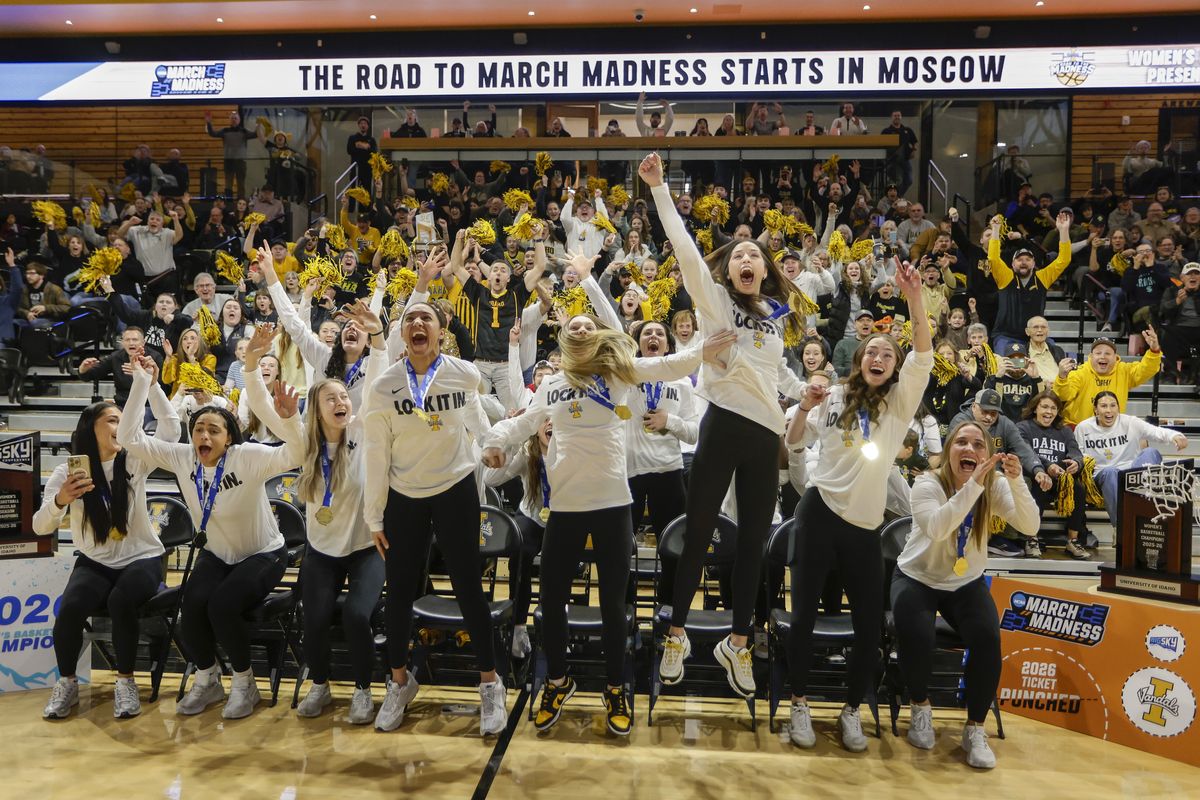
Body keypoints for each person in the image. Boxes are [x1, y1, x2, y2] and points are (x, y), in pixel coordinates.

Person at [480, 309, 714, 736]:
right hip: (565, 507)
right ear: (566, 340)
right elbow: (522, 424)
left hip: (612, 505)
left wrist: (706, 344)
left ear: (600, 335)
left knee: (613, 607)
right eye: (575, 326)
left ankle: (614, 687)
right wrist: (494, 441)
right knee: (551, 603)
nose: (583, 328)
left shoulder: (619, 375)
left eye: (590, 325)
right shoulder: (550, 386)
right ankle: (557, 681)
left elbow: (671, 365)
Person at [639, 152, 808, 701]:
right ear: (730, 268)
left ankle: (738, 642)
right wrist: (661, 189)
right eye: (739, 253)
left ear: (764, 271)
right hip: (721, 424)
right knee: (699, 535)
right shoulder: (714, 304)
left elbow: (778, 373)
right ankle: (675, 635)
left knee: (755, 542)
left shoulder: (776, 320)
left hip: (765, 435)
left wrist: (806, 392)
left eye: (754, 254)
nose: (746, 258)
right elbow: (687, 252)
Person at [782, 253, 932, 752]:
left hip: (865, 527)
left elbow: (924, 356)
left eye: (887, 355)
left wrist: (915, 299)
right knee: (802, 615)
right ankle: (799, 705)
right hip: (819, 513)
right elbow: (794, 442)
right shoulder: (833, 394)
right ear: (859, 356)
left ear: (893, 367)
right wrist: (802, 408)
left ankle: (850, 710)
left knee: (869, 626)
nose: (879, 358)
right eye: (872, 351)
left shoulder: (898, 404)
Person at [117, 355, 304, 719]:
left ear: (229, 437)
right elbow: (128, 437)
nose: (204, 435)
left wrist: (290, 417)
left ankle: (245, 684)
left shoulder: (247, 456)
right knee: (190, 612)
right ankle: (207, 677)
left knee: (222, 606)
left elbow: (297, 452)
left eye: (214, 430)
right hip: (217, 554)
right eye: (199, 428)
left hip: (263, 553)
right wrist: (143, 382)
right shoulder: (182, 457)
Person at [363, 296, 508, 736]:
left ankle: (490, 683)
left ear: (441, 331)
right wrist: (374, 518)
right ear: (403, 334)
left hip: (455, 488)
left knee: (468, 587)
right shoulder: (384, 386)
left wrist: (490, 443)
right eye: (410, 319)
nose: (418, 324)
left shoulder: (462, 373)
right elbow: (375, 453)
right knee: (401, 591)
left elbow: (475, 414)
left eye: (426, 317)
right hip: (405, 495)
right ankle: (400, 683)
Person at [241, 315, 387, 722]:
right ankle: (319, 684)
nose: (342, 402)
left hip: (365, 549)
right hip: (322, 551)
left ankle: (362, 690)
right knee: (314, 616)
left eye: (344, 397)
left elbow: (376, 380)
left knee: (358, 615)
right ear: (318, 410)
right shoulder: (305, 443)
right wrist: (252, 364)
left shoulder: (364, 432)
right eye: (332, 399)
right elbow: (261, 408)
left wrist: (376, 338)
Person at [34, 366, 181, 720]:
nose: (120, 426)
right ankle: (67, 682)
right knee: (69, 610)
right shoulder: (67, 473)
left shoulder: (136, 457)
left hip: (142, 557)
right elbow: (40, 527)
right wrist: (60, 502)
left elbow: (172, 429)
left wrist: (153, 384)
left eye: (122, 419)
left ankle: (125, 682)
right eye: (112, 420)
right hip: (96, 560)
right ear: (91, 428)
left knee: (120, 602)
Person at [892, 421, 1037, 769]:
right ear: (947, 451)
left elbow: (1030, 526)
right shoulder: (927, 483)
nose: (969, 449)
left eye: (978, 444)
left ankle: (975, 728)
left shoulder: (995, 484)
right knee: (917, 635)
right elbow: (940, 528)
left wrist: (1016, 481)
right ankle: (920, 707)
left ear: (987, 453)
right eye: (961, 443)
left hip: (964, 583)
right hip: (917, 577)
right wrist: (974, 485)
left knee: (988, 638)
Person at [949, 388, 1048, 558]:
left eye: (993, 413)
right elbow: (954, 459)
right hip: (965, 475)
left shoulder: (1005, 423)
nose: (989, 417)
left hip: (994, 477)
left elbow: (1021, 448)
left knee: (1024, 480)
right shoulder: (961, 422)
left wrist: (1038, 469)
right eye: (985, 411)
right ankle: (963, 532)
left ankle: (1002, 538)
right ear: (974, 407)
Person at [1075, 391, 1187, 528]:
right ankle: (1121, 528)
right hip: (1102, 476)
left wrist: (1176, 436)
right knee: (1110, 471)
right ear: (1095, 409)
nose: (1109, 410)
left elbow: (1156, 432)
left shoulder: (1130, 422)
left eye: (1113, 405)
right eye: (1103, 406)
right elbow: (1077, 454)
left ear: (1118, 408)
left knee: (1151, 452)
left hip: (1132, 474)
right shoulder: (1083, 428)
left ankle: (1146, 512)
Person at [1017, 391, 1091, 559]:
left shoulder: (1064, 431)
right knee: (1036, 485)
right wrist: (1047, 466)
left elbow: (1075, 451)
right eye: (1044, 407)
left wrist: (1076, 462)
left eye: (1053, 408)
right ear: (1035, 408)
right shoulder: (1023, 427)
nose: (1049, 412)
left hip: (1060, 478)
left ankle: (1073, 541)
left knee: (1078, 489)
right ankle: (1031, 538)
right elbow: (1027, 453)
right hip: (1035, 476)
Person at [986, 212, 1073, 354]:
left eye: (1028, 259)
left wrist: (1063, 231)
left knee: (1056, 359)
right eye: (1020, 260)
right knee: (1012, 368)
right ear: (1013, 264)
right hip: (1006, 338)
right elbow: (993, 258)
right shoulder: (1005, 277)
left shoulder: (1042, 278)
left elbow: (1064, 259)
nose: (1024, 262)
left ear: (1033, 263)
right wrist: (995, 230)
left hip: (1035, 337)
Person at [1053, 331, 1162, 426]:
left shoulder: (1124, 370)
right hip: (1079, 429)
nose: (1102, 356)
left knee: (1142, 441)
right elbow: (1063, 395)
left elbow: (1146, 369)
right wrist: (1062, 377)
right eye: (1098, 353)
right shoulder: (1079, 373)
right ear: (1090, 357)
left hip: (1112, 430)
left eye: (1108, 353)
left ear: (1115, 357)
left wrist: (1154, 350)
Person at [78, 327, 163, 407]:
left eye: (135, 340)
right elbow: (91, 375)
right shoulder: (115, 357)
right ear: (122, 342)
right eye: (127, 340)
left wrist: (142, 376)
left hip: (147, 404)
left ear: (143, 342)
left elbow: (163, 386)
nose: (131, 343)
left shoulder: (155, 357)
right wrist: (83, 370)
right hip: (122, 404)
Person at [1158, 262, 1200, 384]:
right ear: (1182, 278)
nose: (1193, 277)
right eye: (1189, 274)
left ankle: (1196, 376)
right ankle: (1169, 375)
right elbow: (1162, 311)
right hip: (1179, 330)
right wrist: (1176, 301)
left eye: (1196, 274)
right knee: (1167, 335)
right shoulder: (1172, 291)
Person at [204, 110, 258, 198]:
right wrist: (209, 123)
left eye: (235, 118)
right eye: (232, 118)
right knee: (228, 183)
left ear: (239, 120)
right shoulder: (225, 131)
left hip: (240, 161)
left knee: (241, 183)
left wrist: (258, 126)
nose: (234, 120)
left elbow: (255, 135)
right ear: (230, 119)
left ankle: (241, 201)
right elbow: (212, 133)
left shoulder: (243, 131)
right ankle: (228, 201)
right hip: (228, 161)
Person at [884, 111, 918, 196]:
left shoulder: (907, 130)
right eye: (895, 115)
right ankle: (892, 198)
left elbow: (914, 142)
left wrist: (913, 151)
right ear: (892, 117)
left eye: (898, 115)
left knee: (909, 180)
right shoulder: (886, 131)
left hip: (905, 160)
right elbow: (881, 145)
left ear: (901, 117)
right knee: (897, 181)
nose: (897, 117)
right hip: (891, 161)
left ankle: (898, 197)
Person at [346, 116, 377, 191]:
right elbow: (349, 150)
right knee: (354, 190)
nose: (363, 125)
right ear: (358, 125)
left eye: (365, 123)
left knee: (367, 190)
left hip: (367, 170)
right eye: (361, 123)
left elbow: (374, 152)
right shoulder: (353, 138)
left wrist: (359, 146)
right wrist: (365, 147)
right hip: (356, 168)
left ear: (368, 126)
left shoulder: (371, 140)